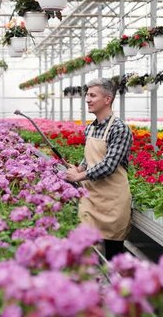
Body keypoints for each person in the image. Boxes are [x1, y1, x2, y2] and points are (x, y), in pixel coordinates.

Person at [65, 78, 133, 260]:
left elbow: (109, 165)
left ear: (107, 99)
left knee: (113, 254)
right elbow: (90, 158)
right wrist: (80, 168)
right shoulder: (91, 129)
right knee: (85, 250)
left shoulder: (119, 129)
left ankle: (114, 285)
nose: (87, 99)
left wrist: (78, 177)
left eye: (92, 95)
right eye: (87, 95)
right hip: (91, 198)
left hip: (113, 200)